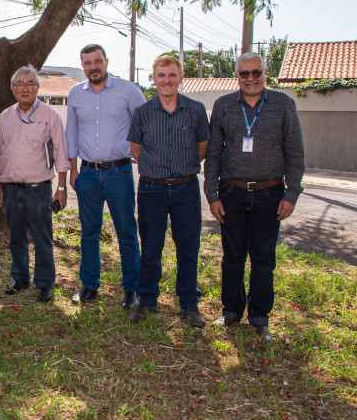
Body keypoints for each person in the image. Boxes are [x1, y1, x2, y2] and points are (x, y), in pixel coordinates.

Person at [204, 51, 305, 340]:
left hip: (270, 194)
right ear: (237, 76)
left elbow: (296, 153)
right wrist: (212, 194)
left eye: (256, 72)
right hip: (231, 192)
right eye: (244, 73)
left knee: (263, 258)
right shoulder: (223, 106)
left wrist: (291, 193)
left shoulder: (283, 104)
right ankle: (231, 312)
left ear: (265, 73)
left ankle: (260, 317)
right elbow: (213, 154)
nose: (250, 78)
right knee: (232, 257)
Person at [126, 55, 210, 327]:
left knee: (188, 248)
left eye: (172, 75)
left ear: (181, 77)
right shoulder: (143, 112)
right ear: (154, 78)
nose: (166, 80)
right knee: (150, 247)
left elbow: (203, 147)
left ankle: (188, 305)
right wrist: (159, 169)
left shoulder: (196, 110)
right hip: (152, 189)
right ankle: (148, 301)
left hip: (186, 188)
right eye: (161, 75)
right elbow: (136, 151)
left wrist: (182, 168)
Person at [66, 44, 147, 309]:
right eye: (87, 63)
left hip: (119, 172)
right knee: (89, 233)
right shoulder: (76, 94)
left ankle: (131, 289)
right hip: (87, 174)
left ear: (107, 61)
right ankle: (89, 285)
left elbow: (146, 123)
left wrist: (142, 157)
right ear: (83, 66)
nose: (93, 67)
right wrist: (74, 169)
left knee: (126, 232)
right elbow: (73, 133)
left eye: (97, 61)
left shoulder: (128, 90)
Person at [0, 65, 70, 303]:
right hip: (11, 189)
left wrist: (61, 189)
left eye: (30, 84)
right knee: (16, 237)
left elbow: (62, 154)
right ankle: (20, 278)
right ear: (13, 89)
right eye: (20, 84)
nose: (25, 88)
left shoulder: (50, 115)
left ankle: (44, 283)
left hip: (39, 190)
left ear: (37, 87)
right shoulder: (5, 116)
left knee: (42, 237)